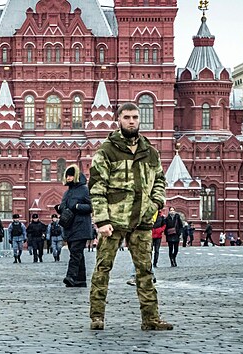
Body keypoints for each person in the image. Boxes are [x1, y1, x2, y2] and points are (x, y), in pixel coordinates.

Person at [88, 102, 173, 331]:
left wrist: (155, 203)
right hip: (114, 222)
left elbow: (160, 182)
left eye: (135, 117)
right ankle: (97, 316)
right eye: (127, 117)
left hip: (142, 221)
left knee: (145, 271)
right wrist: (102, 220)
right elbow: (97, 187)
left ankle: (151, 319)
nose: (132, 121)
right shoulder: (107, 151)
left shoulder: (150, 152)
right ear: (119, 120)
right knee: (103, 269)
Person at [59, 165, 93, 288]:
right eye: (67, 175)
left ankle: (71, 276)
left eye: (71, 175)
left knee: (75, 253)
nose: (69, 178)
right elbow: (64, 206)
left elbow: (91, 206)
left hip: (81, 226)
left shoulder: (84, 189)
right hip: (70, 227)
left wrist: (78, 207)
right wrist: (60, 208)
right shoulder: (68, 192)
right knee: (78, 254)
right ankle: (80, 280)